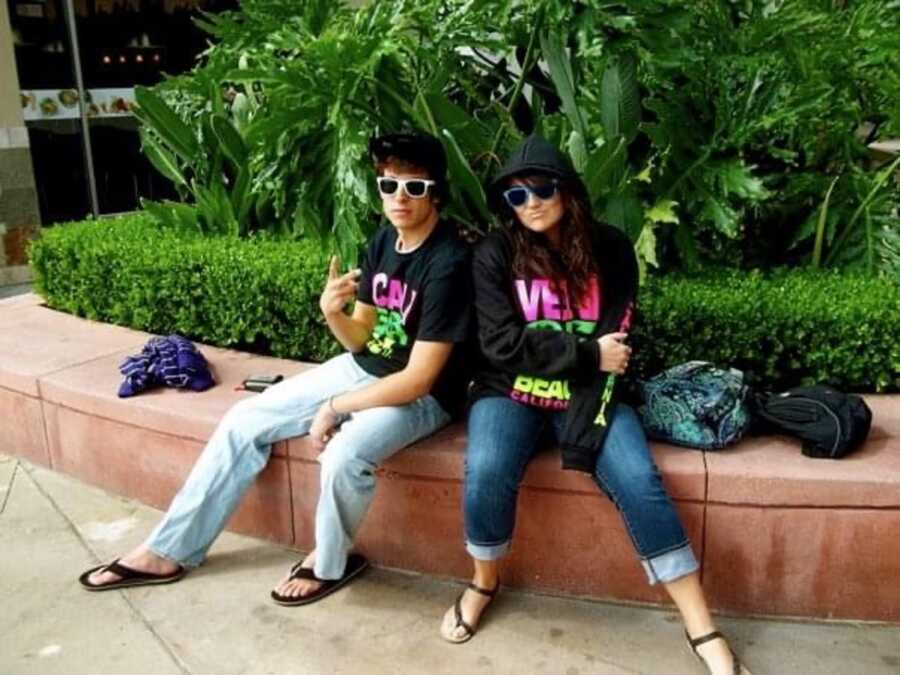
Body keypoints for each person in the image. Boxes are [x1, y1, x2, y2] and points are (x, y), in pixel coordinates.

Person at [79, 131, 472, 606]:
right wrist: (333, 314)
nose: (399, 199)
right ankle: (168, 550)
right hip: (362, 370)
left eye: (414, 187)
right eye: (389, 186)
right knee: (244, 420)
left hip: (422, 398)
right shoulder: (383, 241)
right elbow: (364, 337)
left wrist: (334, 407)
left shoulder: (449, 261)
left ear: (435, 192)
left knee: (345, 455)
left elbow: (418, 379)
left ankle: (330, 562)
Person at [439, 135, 750, 675]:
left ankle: (702, 626)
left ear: (568, 190)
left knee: (637, 477)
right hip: (509, 390)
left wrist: (587, 376)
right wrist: (585, 354)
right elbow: (500, 345)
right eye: (516, 196)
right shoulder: (495, 254)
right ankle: (483, 581)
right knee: (487, 467)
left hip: (591, 392)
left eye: (541, 188)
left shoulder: (609, 248)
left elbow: (619, 340)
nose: (531, 202)